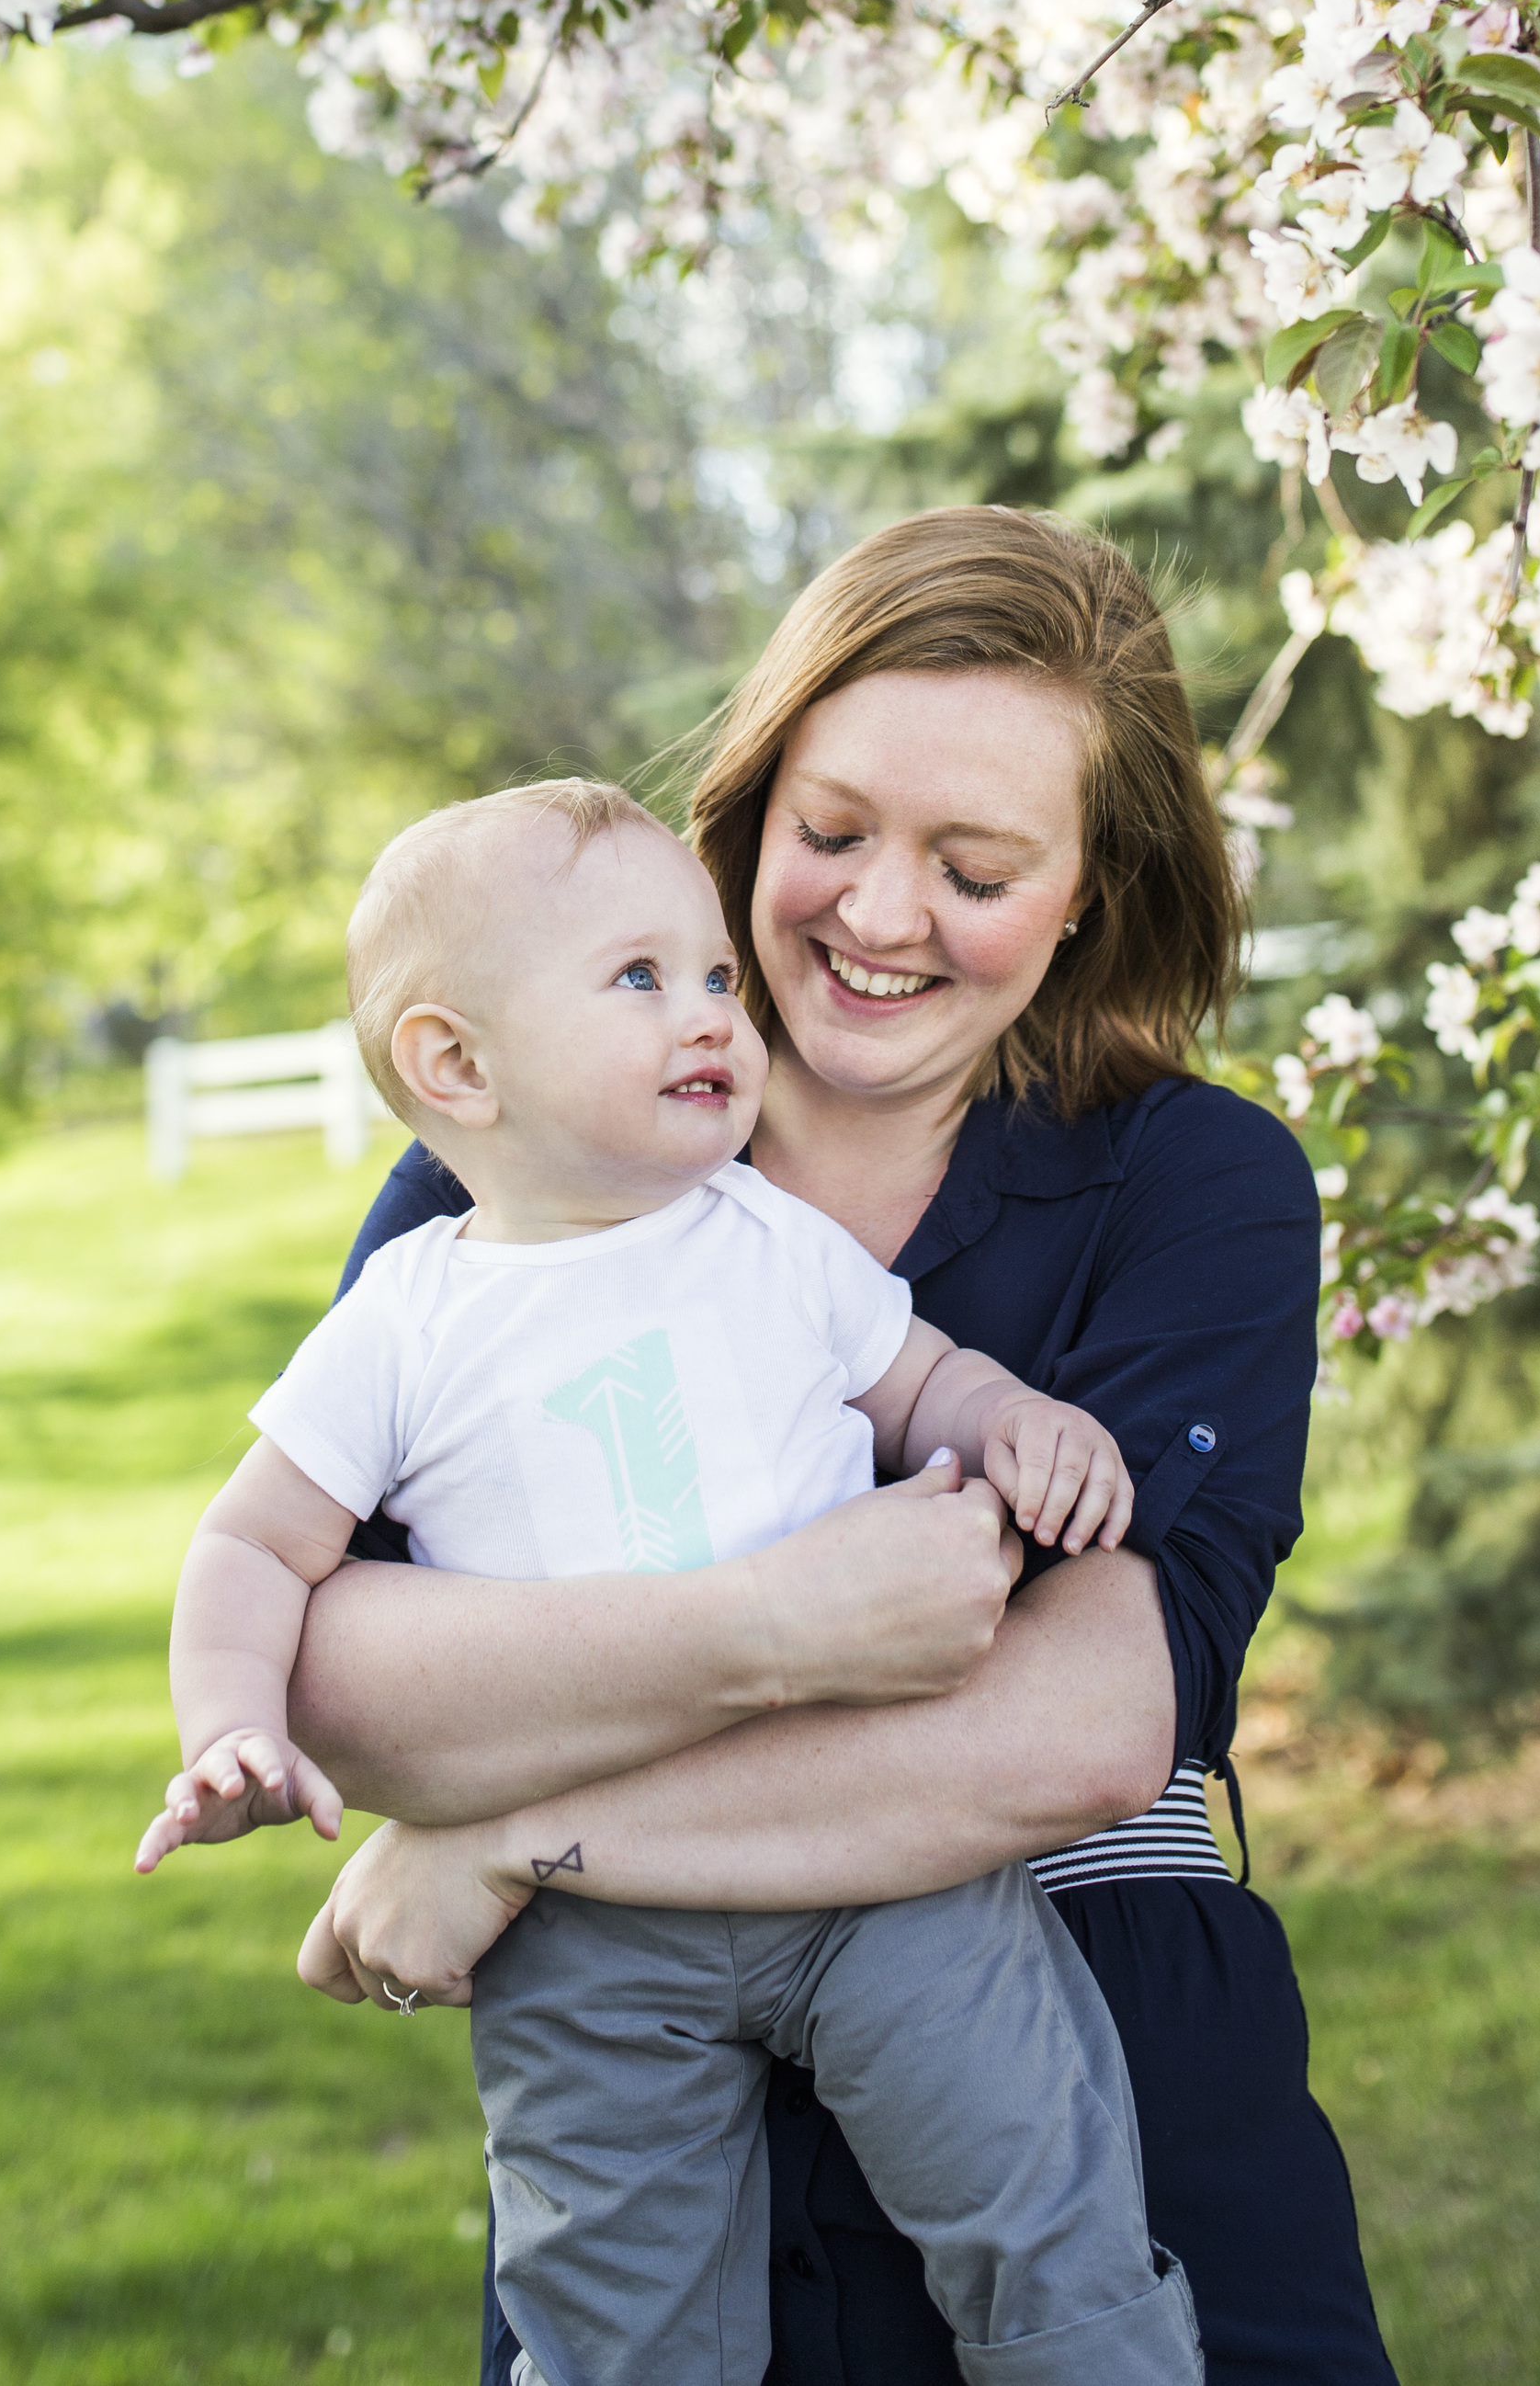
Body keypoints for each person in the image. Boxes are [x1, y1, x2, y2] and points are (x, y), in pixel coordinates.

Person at [285, 510, 1399, 2386]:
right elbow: (347, 1676)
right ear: (745, 813)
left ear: (1083, 894)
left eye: (972, 867)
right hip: (647, 2134)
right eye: (830, 836)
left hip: (1096, 2076)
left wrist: (515, 1840)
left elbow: (1074, 1725)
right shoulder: (502, 1188)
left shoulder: (1190, 1186)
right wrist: (783, 1631)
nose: (878, 919)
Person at [138, 777, 1203, 2386]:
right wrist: (230, 1720)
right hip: (587, 1931)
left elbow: (923, 1380)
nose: (711, 1009)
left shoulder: (760, 1235)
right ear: (456, 1063)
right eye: (640, 979)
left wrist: (1021, 1421)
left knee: (1034, 2188)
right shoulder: (405, 1322)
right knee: (613, 2298)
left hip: (872, 1848)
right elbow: (250, 1546)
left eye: (712, 973)